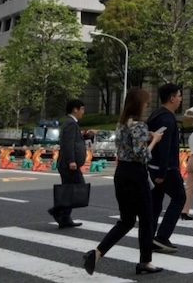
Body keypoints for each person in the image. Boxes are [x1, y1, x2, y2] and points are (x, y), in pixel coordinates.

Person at [82, 87, 164, 275]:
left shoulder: (121, 125)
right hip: (136, 174)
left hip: (121, 173)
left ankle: (96, 253)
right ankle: (145, 261)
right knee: (146, 219)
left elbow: (129, 144)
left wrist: (146, 137)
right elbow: (142, 155)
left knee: (126, 220)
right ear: (139, 104)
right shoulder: (139, 126)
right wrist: (154, 140)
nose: (147, 104)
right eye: (145, 101)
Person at [147, 83, 185, 253]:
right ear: (171, 98)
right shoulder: (168, 118)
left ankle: (148, 237)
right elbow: (165, 147)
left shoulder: (156, 115)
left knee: (155, 203)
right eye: (179, 95)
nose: (180, 99)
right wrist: (163, 172)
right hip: (166, 169)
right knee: (179, 198)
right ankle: (162, 237)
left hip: (151, 166)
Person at [49, 99, 91, 228]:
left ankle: (64, 218)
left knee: (69, 191)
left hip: (67, 164)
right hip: (69, 165)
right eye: (82, 109)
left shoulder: (71, 123)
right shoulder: (71, 123)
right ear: (75, 109)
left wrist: (86, 136)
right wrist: (72, 161)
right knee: (78, 188)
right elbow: (67, 144)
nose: (83, 112)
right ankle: (58, 211)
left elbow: (74, 141)